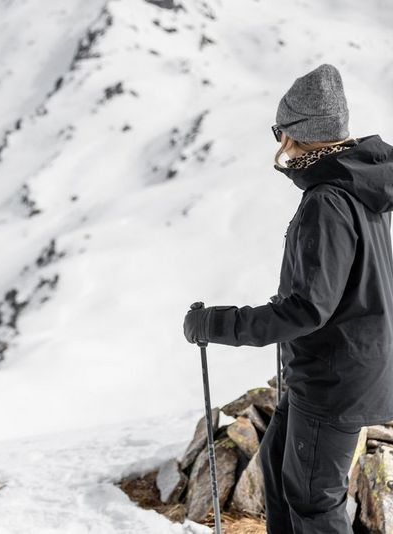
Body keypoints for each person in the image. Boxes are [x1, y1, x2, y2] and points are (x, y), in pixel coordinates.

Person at [183, 64, 393, 533]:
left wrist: (214, 324)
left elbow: (307, 308)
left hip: (334, 380)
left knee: (314, 503)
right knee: (281, 478)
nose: (278, 143)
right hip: (331, 371)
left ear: (297, 135)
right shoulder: (359, 187)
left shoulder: (329, 201)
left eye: (280, 131)